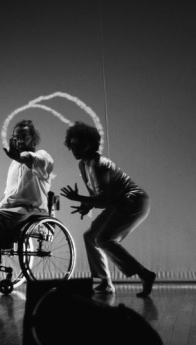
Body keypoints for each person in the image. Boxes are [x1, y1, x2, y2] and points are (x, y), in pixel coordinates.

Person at [60, 121, 157, 297]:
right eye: (72, 144)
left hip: (134, 201)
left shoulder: (99, 164)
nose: (74, 148)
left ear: (90, 144)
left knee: (104, 239)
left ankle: (145, 274)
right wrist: (86, 205)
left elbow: (104, 199)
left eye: (79, 145)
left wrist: (79, 198)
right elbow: (97, 195)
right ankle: (105, 283)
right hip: (118, 203)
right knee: (91, 236)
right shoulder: (83, 164)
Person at [0, 120, 54, 282]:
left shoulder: (43, 157)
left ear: (33, 139)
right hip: (11, 209)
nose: (19, 140)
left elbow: (31, 158)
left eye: (24, 137)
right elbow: (9, 193)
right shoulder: (14, 164)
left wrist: (20, 156)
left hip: (31, 210)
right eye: (16, 137)